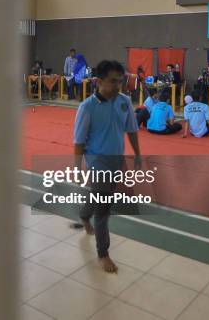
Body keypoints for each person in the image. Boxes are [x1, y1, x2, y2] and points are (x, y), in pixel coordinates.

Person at [74, 60, 141, 273]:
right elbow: (78, 141)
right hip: (97, 161)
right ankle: (103, 254)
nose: (118, 86)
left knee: (100, 197)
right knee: (104, 208)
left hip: (116, 160)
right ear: (99, 81)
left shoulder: (124, 102)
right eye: (113, 81)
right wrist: (76, 168)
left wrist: (137, 154)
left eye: (120, 81)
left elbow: (131, 130)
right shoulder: (87, 108)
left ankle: (84, 215)